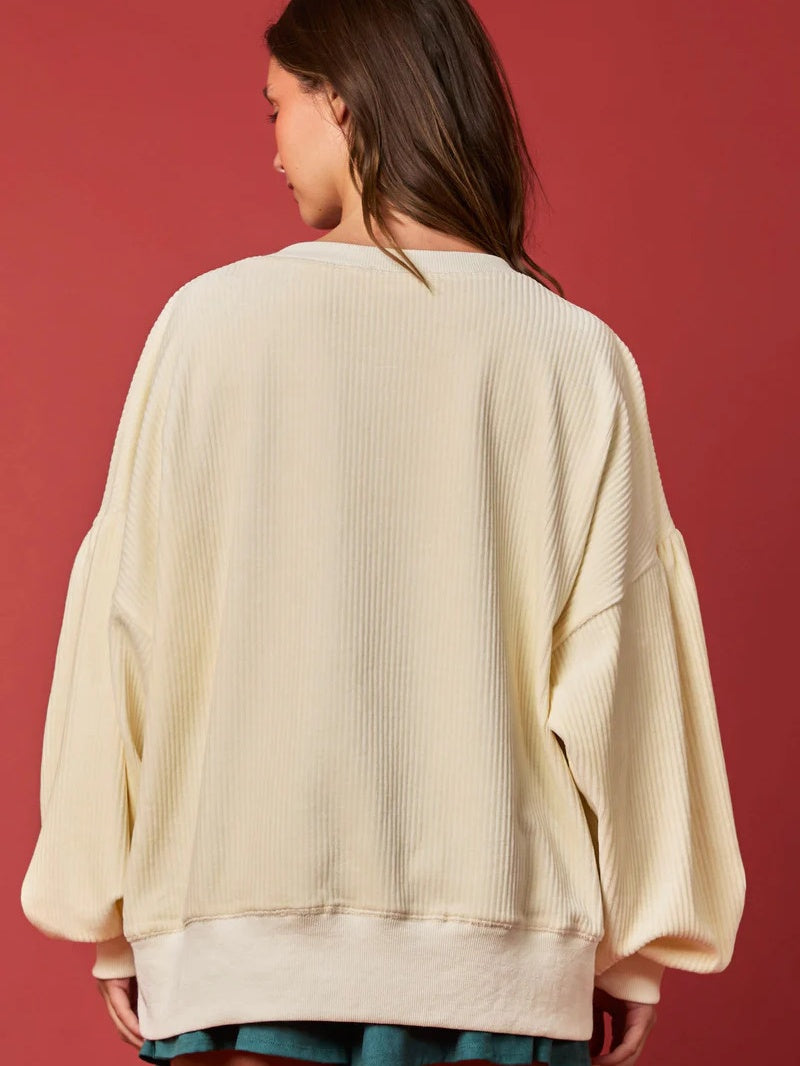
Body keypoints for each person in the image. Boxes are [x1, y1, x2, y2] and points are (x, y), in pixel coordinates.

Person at [19, 1, 747, 1065]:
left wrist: (110, 914)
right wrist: (635, 949)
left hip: (238, 946)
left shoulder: (207, 327)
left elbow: (125, 627)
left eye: (276, 108)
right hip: (498, 961)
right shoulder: (570, 355)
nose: (273, 149)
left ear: (343, 101)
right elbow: (623, 663)